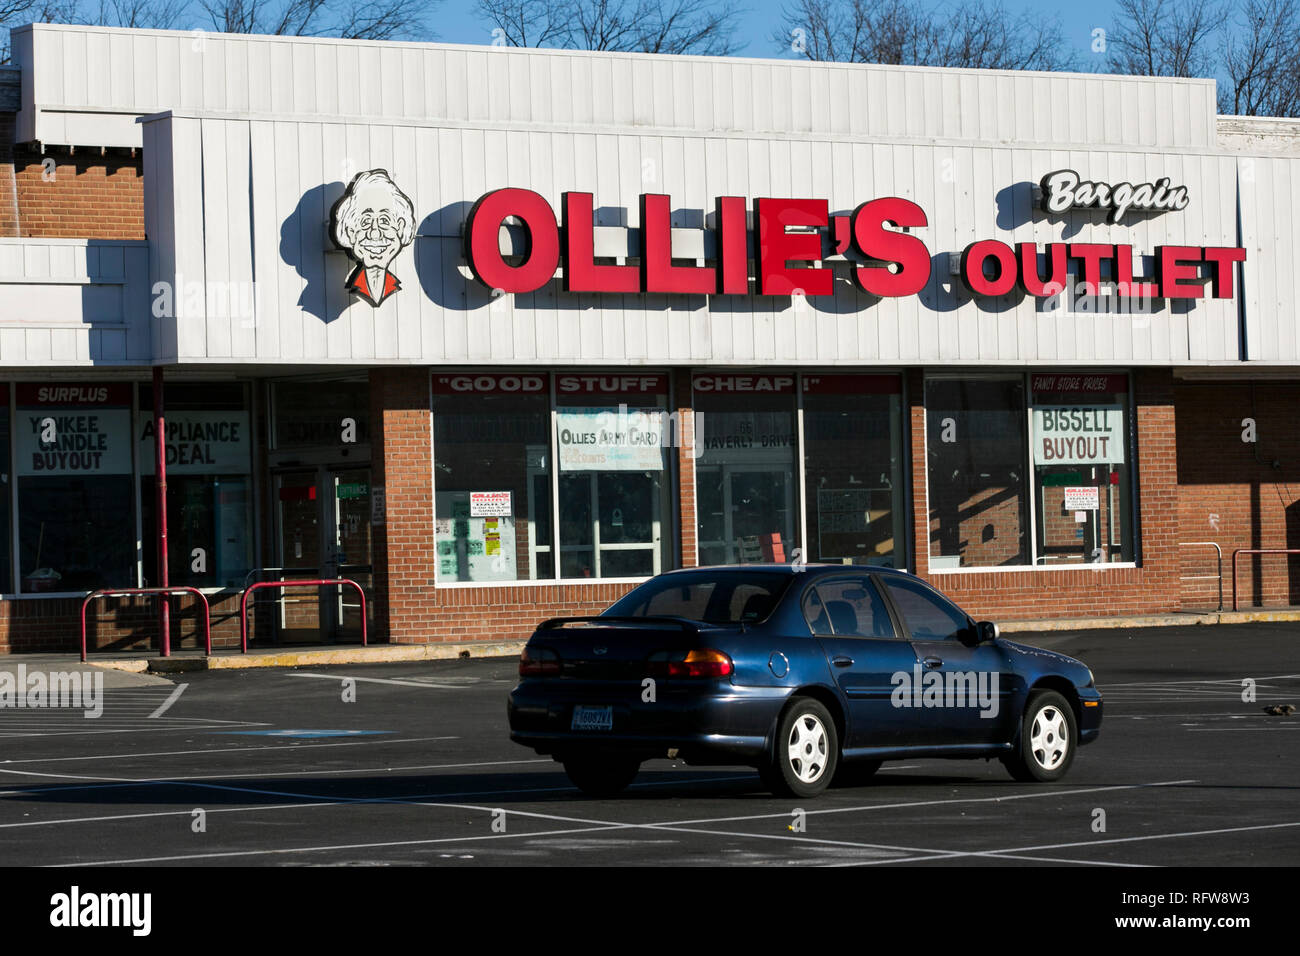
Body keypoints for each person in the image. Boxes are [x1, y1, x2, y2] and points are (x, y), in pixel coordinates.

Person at [330, 169, 416, 306]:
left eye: (384, 221)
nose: (375, 233)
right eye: (365, 222)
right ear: (350, 231)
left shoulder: (392, 287)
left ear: (400, 227)